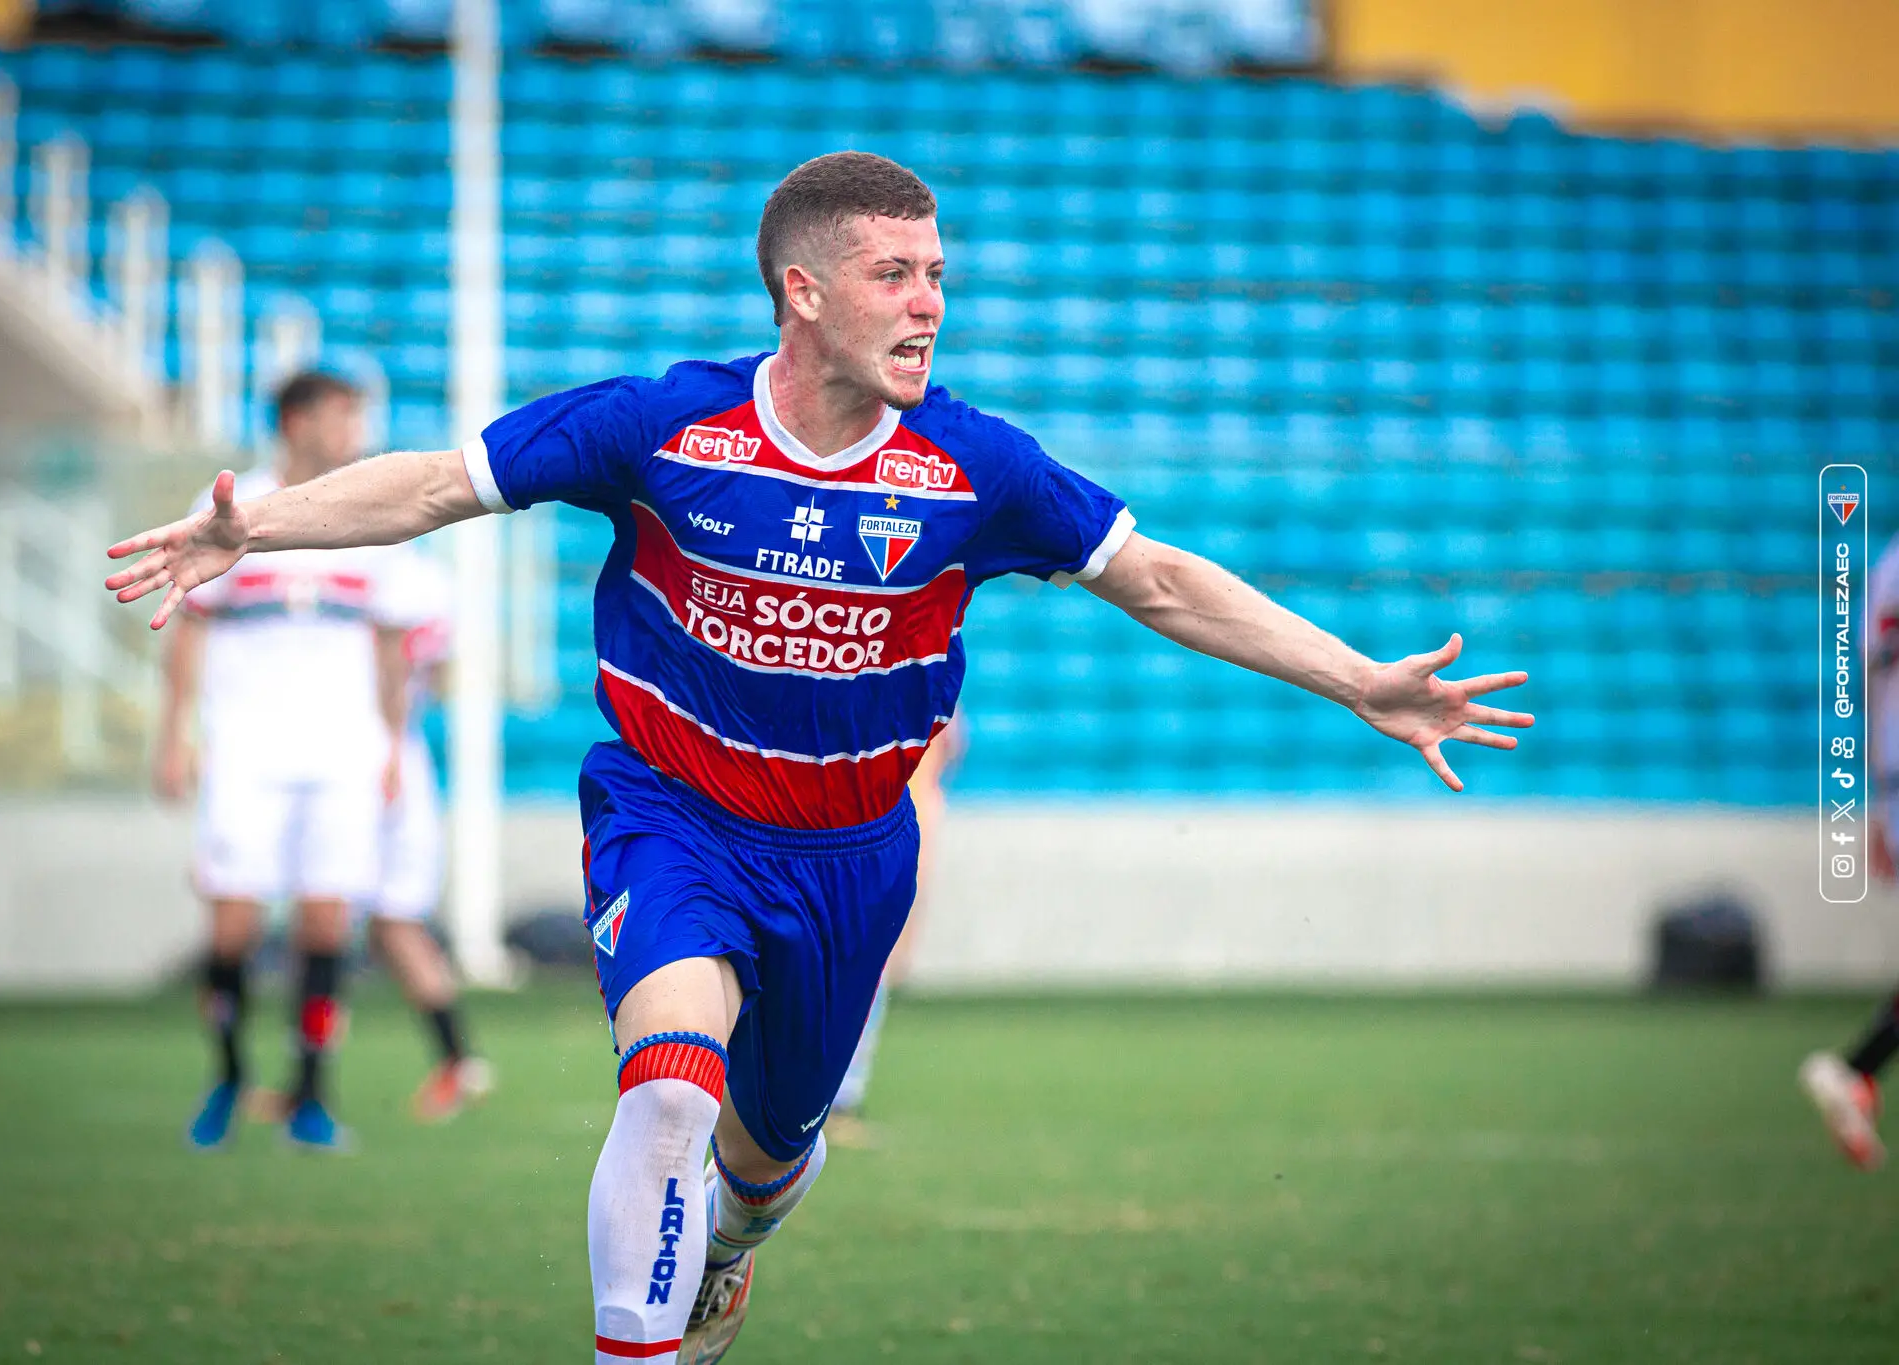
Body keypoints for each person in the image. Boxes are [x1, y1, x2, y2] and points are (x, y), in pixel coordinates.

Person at [106, 152, 1533, 1362]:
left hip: (853, 859)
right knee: (669, 1083)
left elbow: (1157, 581)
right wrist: (258, 525)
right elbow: (432, 484)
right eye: (896, 275)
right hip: (675, 815)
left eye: (937, 275)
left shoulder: (976, 468)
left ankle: (733, 1240)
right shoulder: (661, 423)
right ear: (803, 288)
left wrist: (1362, 681)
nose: (931, 304)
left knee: (770, 1153)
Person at [154, 370, 418, 1154]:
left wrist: (393, 744)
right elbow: (191, 626)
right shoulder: (234, 505)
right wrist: (176, 736)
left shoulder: (371, 507)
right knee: (233, 921)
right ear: (296, 420)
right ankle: (230, 1073)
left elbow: (391, 641)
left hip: (342, 748)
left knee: (326, 920)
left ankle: (309, 1092)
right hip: (247, 747)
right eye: (342, 414)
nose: (354, 429)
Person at [364, 546, 496, 1123]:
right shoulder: (430, 575)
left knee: (370, 917)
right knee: (388, 921)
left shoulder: (369, 569)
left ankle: (304, 1084)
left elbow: (390, 663)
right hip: (404, 756)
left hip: (372, 756)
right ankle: (457, 1060)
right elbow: (440, 676)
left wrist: (387, 739)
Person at [1799, 530, 1899, 1171]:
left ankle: (1857, 1072)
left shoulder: (1890, 561)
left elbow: (1866, 675)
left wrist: (1879, 800)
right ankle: (1856, 1070)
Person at [825, 717, 963, 1148]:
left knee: (868, 967)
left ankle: (837, 1097)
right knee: (863, 966)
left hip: (893, 827)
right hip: (876, 832)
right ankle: (835, 1098)